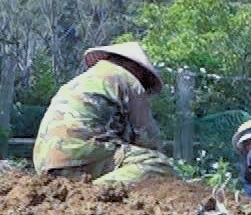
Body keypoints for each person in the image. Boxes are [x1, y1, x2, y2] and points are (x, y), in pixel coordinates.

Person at [33, 41, 179, 186]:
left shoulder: (81, 80)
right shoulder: (128, 79)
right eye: (144, 79)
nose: (143, 84)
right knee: (156, 164)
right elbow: (147, 139)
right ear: (137, 69)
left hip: (46, 162)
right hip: (81, 157)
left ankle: (79, 190)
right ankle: (93, 193)